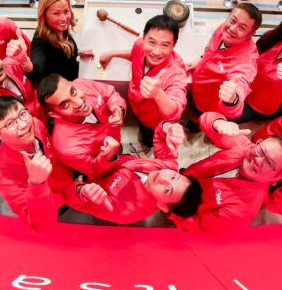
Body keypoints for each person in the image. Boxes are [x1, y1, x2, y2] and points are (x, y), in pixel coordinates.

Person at [173, 123, 282, 235]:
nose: (258, 160)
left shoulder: (242, 211)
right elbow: (206, 120)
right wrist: (219, 123)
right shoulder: (244, 147)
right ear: (257, 143)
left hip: (178, 208)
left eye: (269, 163)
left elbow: (199, 226)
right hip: (181, 178)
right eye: (261, 151)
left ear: (276, 177)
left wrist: (171, 210)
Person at [66, 123, 197, 225]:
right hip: (109, 157)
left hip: (76, 175)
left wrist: (80, 191)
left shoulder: (124, 211)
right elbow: (160, 135)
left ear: (162, 206)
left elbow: (68, 197)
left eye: (167, 190)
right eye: (174, 177)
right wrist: (169, 128)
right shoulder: (170, 167)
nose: (164, 177)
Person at [0, 97, 76, 232]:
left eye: (22, 114)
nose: (23, 125)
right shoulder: (4, 175)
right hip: (58, 212)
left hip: (74, 183)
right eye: (10, 124)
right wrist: (36, 184)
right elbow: (39, 225)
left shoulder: (36, 125)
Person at [98, 15, 189, 148]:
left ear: (173, 46)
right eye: (151, 42)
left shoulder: (175, 71)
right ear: (144, 38)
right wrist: (113, 54)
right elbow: (136, 54)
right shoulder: (139, 45)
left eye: (165, 45)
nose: (156, 52)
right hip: (135, 103)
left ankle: (146, 144)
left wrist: (158, 93)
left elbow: (175, 110)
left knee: (148, 136)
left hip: (152, 120)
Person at [37, 74, 127, 178]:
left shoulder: (81, 83)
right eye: (65, 104)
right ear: (55, 114)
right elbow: (94, 170)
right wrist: (107, 156)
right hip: (107, 164)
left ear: (72, 84)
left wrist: (118, 107)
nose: (79, 103)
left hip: (116, 140)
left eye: (73, 92)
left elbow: (109, 93)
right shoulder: (66, 147)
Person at [189, 3, 260, 118]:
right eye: (232, 20)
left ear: (251, 34)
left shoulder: (245, 63)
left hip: (207, 102)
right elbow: (210, 46)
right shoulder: (225, 28)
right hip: (196, 85)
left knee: (197, 118)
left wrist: (234, 99)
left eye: (242, 27)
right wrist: (201, 59)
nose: (232, 29)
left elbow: (242, 83)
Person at [28, 0, 93, 83]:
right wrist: (24, 63)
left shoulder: (59, 28)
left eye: (66, 11)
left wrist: (77, 52)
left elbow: (58, 53)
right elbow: (36, 72)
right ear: (44, 15)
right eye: (56, 13)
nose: (64, 18)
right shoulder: (40, 41)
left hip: (75, 76)